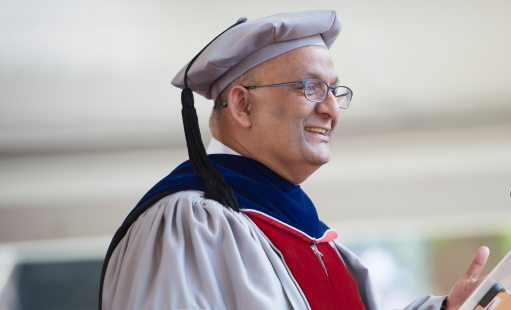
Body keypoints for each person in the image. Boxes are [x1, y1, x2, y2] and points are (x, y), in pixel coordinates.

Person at [99, 10, 490, 310]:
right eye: (312, 87)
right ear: (242, 104)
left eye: (335, 91)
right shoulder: (189, 224)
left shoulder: (315, 239)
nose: (332, 110)